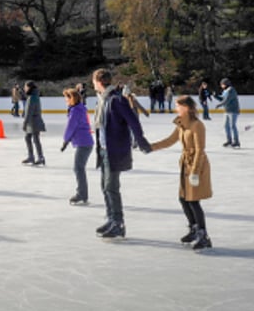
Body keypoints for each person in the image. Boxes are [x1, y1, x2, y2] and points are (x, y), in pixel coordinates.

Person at [92, 68, 151, 240]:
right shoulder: (102, 100)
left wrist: (141, 142)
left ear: (99, 82)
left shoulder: (116, 100)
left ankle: (118, 223)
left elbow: (133, 121)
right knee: (105, 186)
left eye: (94, 81)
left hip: (114, 150)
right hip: (103, 150)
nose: (92, 84)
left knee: (111, 188)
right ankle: (111, 219)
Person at [150, 95, 213, 249]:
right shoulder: (181, 124)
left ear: (186, 107)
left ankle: (203, 236)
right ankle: (194, 229)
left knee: (193, 200)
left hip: (196, 165)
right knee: (183, 199)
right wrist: (150, 147)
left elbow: (200, 150)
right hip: (185, 165)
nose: (175, 109)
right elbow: (169, 141)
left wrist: (195, 172)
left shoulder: (197, 125)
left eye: (178, 106)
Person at [60, 87, 94, 205]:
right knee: (79, 168)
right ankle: (82, 194)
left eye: (66, 98)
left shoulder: (76, 111)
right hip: (85, 142)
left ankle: (82, 194)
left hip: (84, 143)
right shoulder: (79, 109)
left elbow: (71, 126)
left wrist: (65, 141)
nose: (65, 100)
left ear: (72, 98)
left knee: (78, 168)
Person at [21, 81, 47, 165]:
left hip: (33, 122)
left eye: (25, 87)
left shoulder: (32, 97)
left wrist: (25, 124)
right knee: (28, 138)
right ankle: (31, 156)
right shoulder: (34, 96)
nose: (24, 89)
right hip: (33, 121)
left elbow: (29, 112)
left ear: (29, 87)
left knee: (35, 139)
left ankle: (40, 157)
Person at [216, 78, 240, 148]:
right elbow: (222, 99)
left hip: (233, 111)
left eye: (222, 84)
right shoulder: (225, 91)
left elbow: (227, 100)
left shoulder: (231, 90)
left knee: (233, 126)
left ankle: (236, 141)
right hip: (227, 111)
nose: (221, 86)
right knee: (226, 126)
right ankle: (229, 140)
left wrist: (219, 105)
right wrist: (216, 96)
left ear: (225, 84)